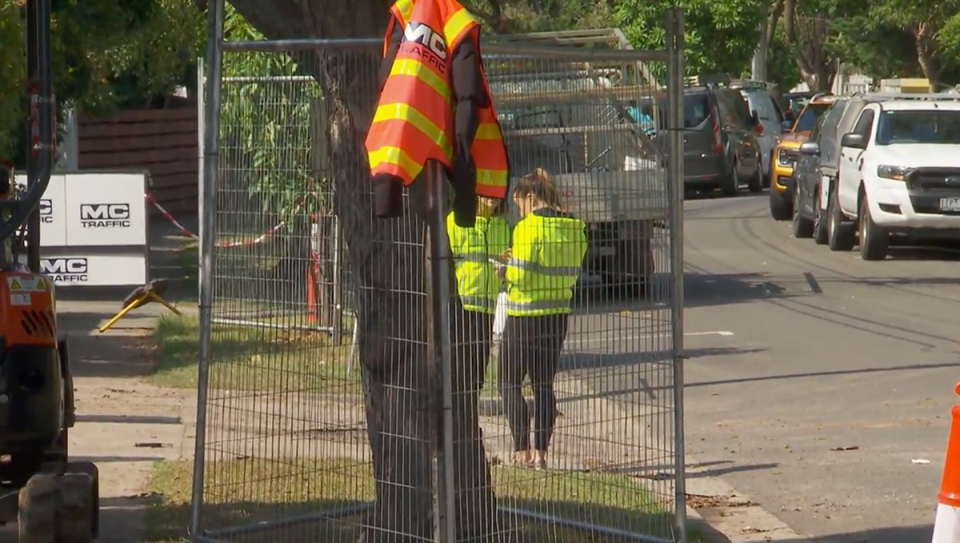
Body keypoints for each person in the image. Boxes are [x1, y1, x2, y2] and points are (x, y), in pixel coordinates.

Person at [497, 168, 587, 469]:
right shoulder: (576, 227)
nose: (518, 212)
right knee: (543, 385)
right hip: (556, 316)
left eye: (519, 204)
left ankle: (521, 449)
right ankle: (542, 452)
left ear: (531, 198)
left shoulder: (528, 228)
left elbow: (520, 275)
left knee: (509, 383)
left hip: (524, 316)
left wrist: (506, 269)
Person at [447, 196, 510, 387]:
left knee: (477, 375)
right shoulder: (454, 221)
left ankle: (469, 415)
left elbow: (504, 264)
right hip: (459, 306)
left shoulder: (502, 227)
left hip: (486, 309)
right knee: (458, 371)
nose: (493, 197)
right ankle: (458, 415)